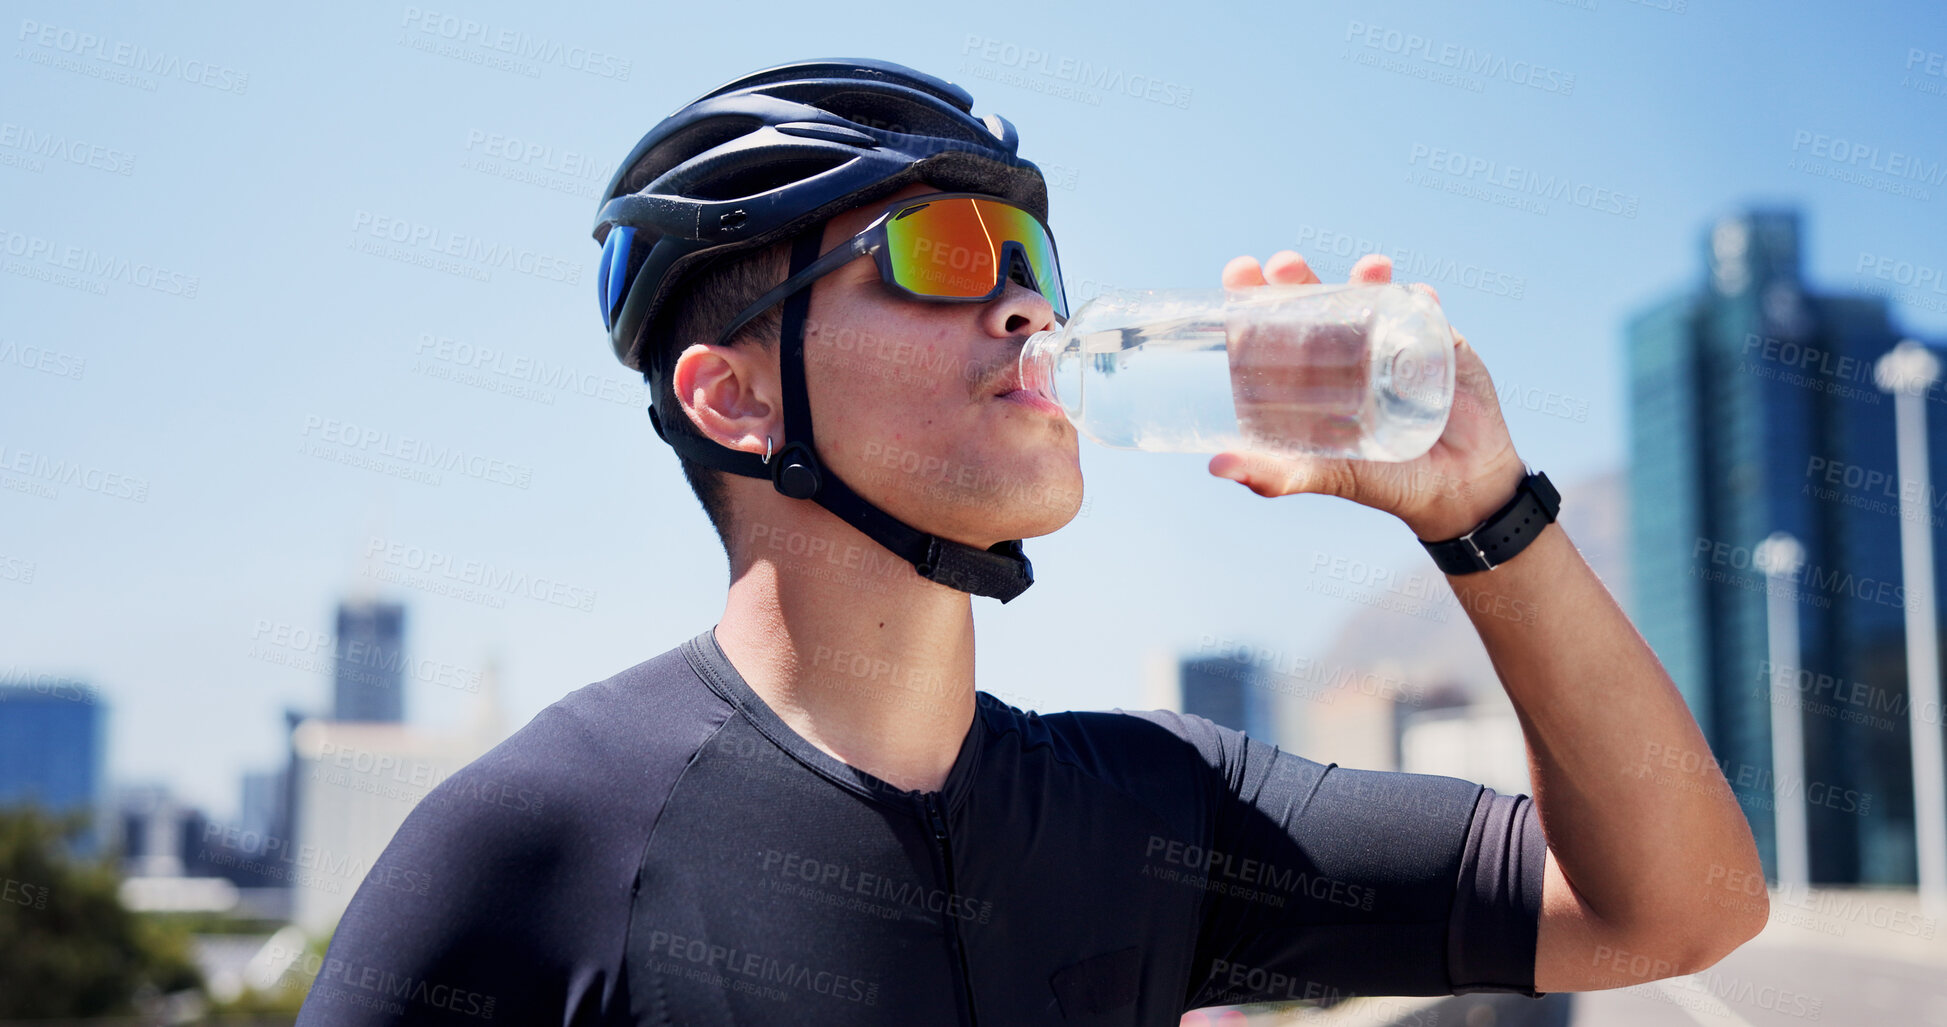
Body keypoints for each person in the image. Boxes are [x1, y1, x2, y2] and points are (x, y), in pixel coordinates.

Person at [297, 57, 1766, 1025]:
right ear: (734, 397)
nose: (1020, 307)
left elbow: (1678, 910)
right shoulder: (530, 846)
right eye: (935, 255)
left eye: (1030, 262)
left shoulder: (1165, 809)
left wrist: (1487, 517)